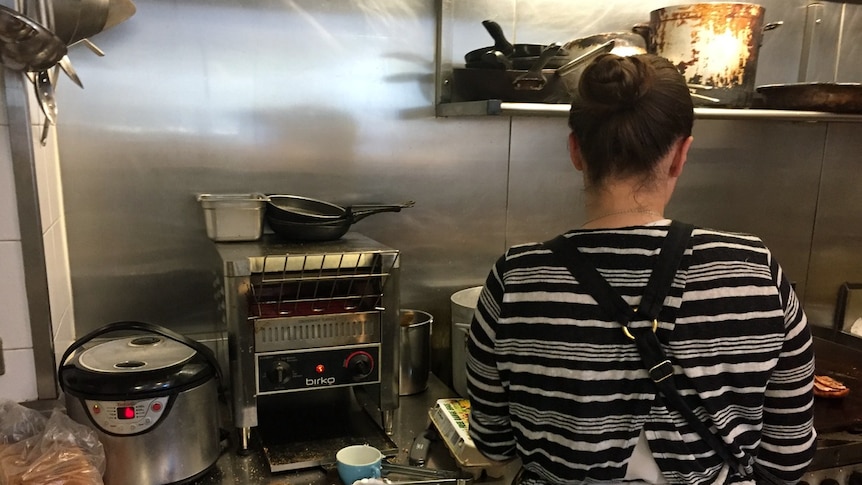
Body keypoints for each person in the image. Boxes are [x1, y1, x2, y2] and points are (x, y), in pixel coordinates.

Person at [465, 53, 816, 485]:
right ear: (680, 155)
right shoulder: (754, 269)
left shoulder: (516, 279)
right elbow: (788, 459)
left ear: (576, 150)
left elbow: (493, 443)